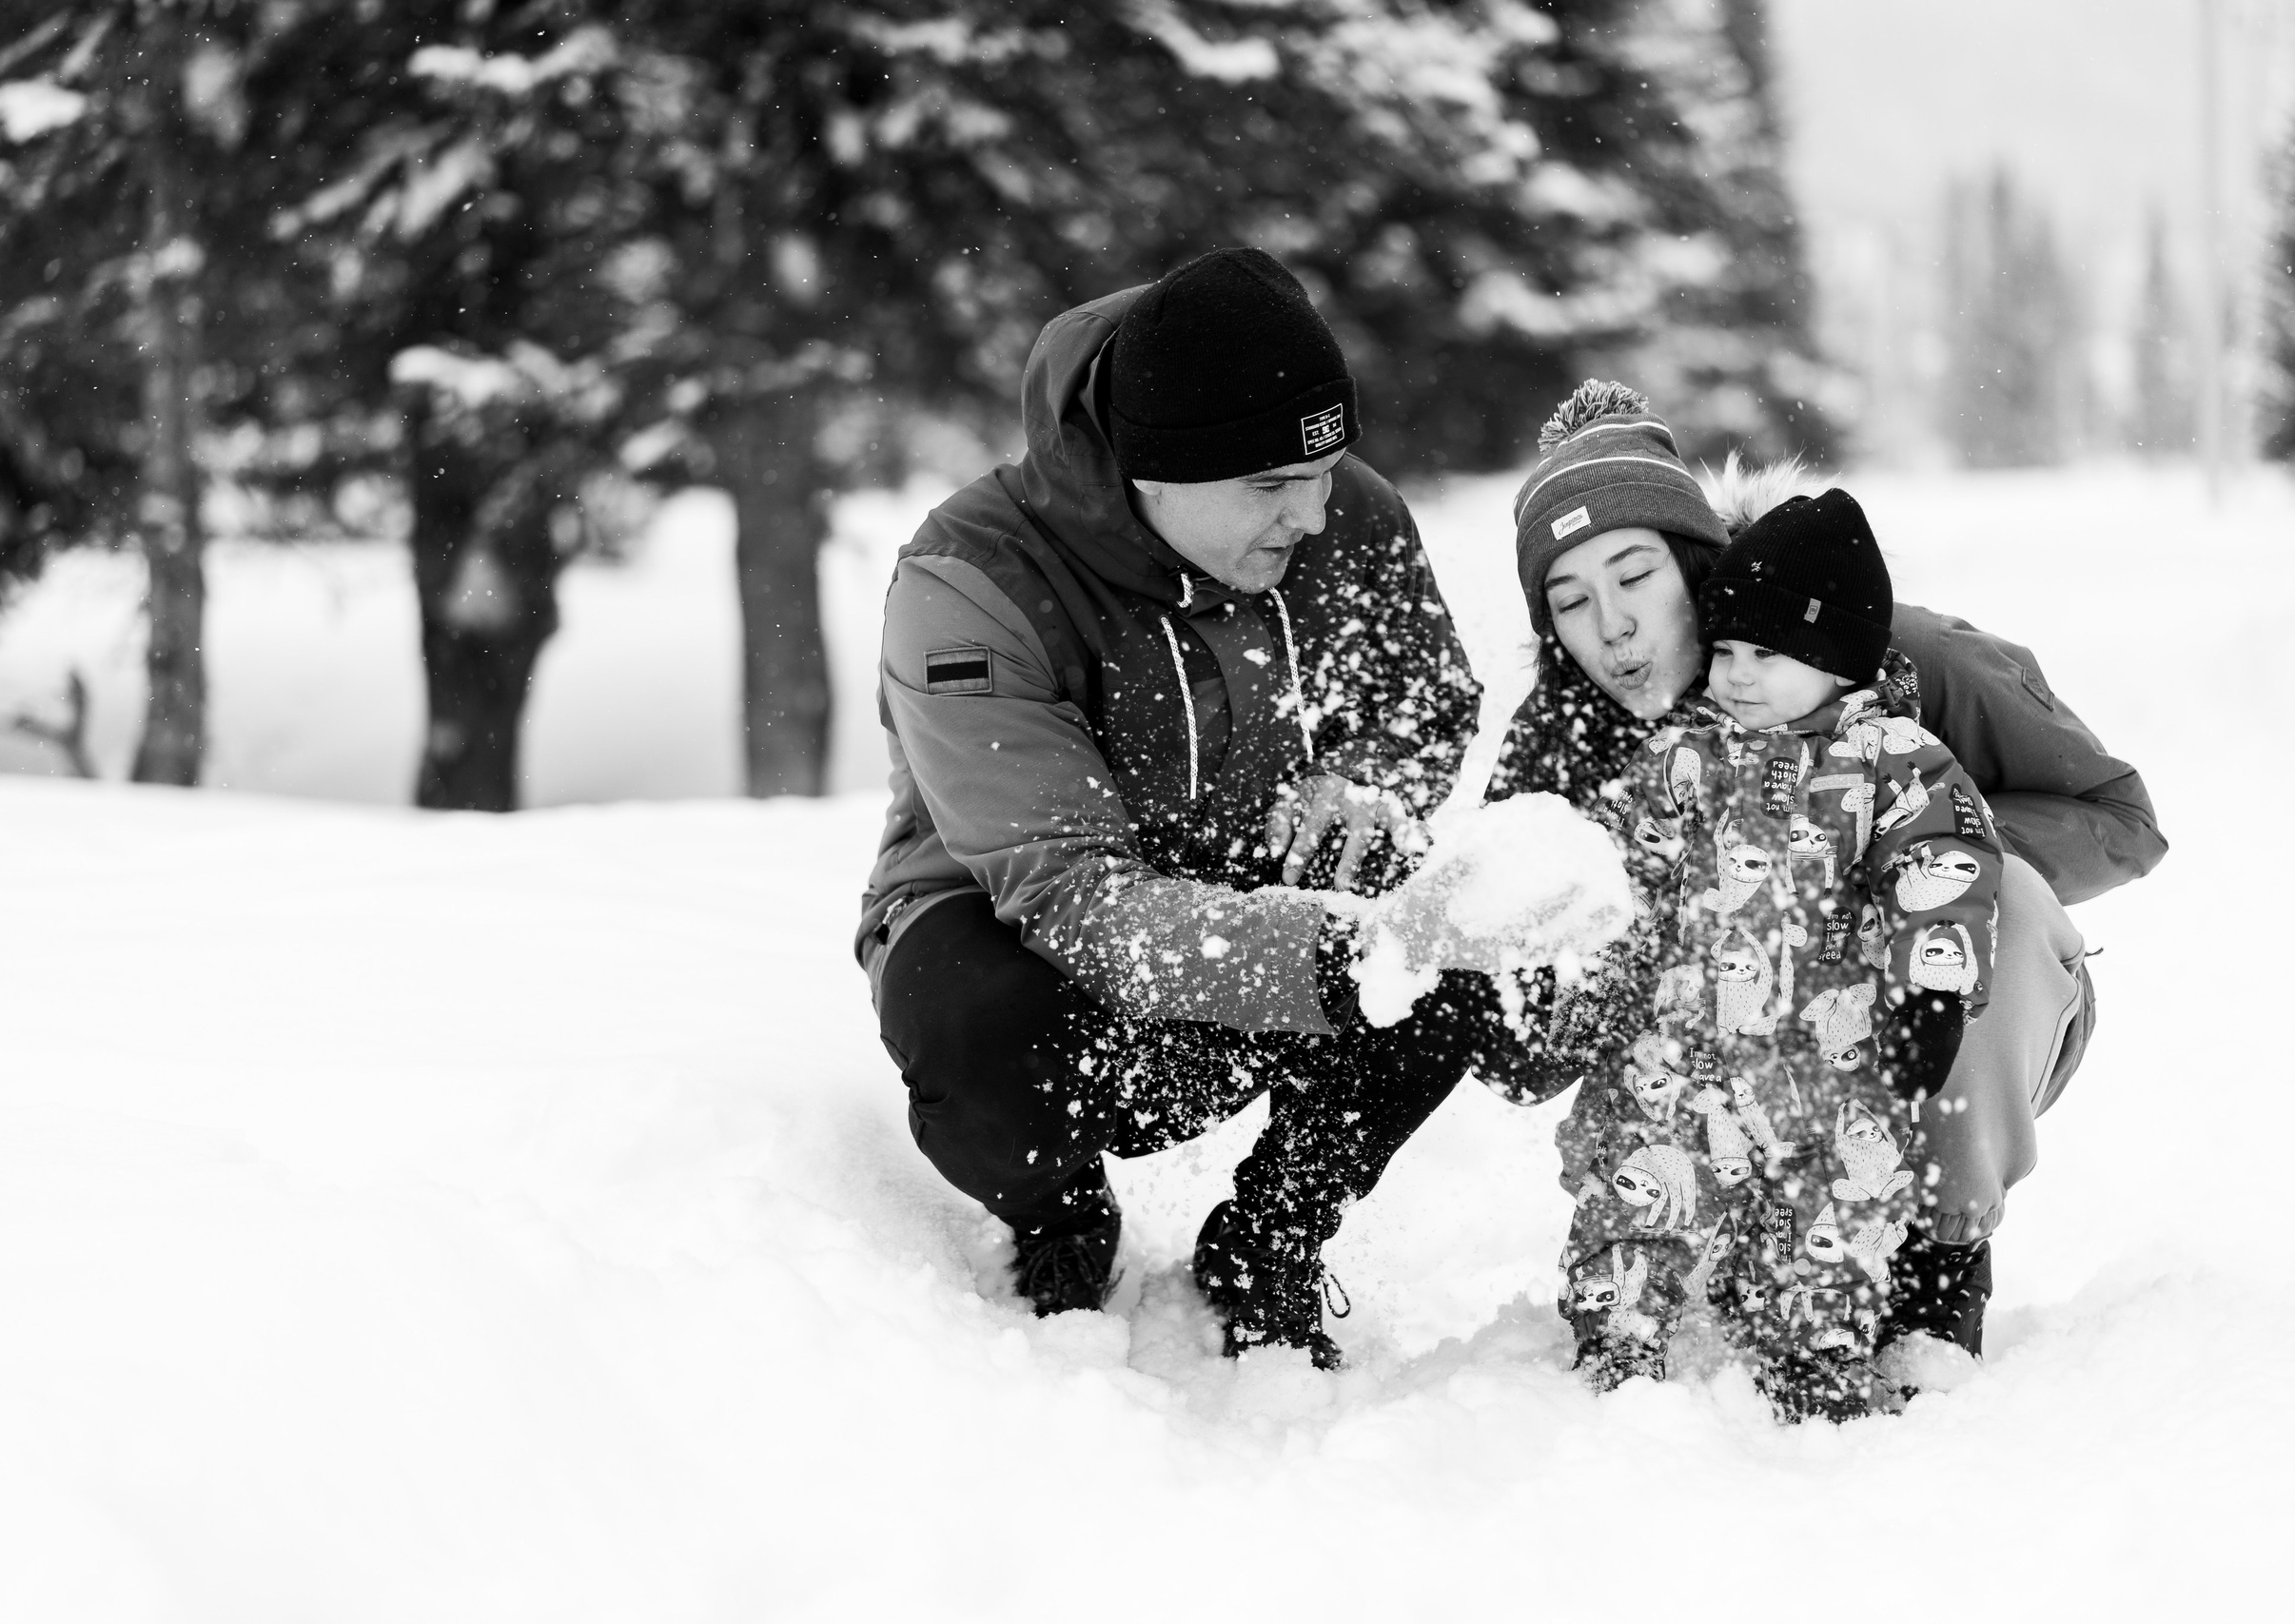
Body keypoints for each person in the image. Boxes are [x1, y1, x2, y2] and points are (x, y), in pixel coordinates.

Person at [856, 247, 1522, 1367]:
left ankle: (1270, 1240)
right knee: (969, 1024)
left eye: (1325, 472)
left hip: (1260, 911)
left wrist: (1370, 786)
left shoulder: (1334, 504)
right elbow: (1068, 892)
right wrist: (1329, 958)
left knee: (1451, 958)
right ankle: (1057, 1212)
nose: (1311, 515)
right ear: (1148, 472)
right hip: (1032, 948)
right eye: (1269, 487)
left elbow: (1423, 694)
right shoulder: (969, 580)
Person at [1490, 382, 2167, 1384]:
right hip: (1725, 1064)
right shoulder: (1568, 746)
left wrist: (1880, 852)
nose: (1614, 629)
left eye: (1635, 576)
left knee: (1992, 900)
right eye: (1571, 602)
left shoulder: (1890, 652)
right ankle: (1683, 1244)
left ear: (1698, 562)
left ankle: (1941, 1255)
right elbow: (1518, 1035)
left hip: (1932, 1015)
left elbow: (2123, 824)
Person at [1558, 487, 2004, 1419]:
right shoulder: (1688, 757)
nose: (1735, 676)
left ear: (1837, 659)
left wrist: (1926, 999)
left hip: (1825, 1066)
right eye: (1722, 651)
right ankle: (1617, 1341)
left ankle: (1813, 1362)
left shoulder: (1894, 761)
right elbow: (1619, 876)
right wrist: (1594, 972)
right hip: (1682, 1060)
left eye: (1768, 654)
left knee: (1825, 1223)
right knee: (1637, 1189)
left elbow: (1945, 872)